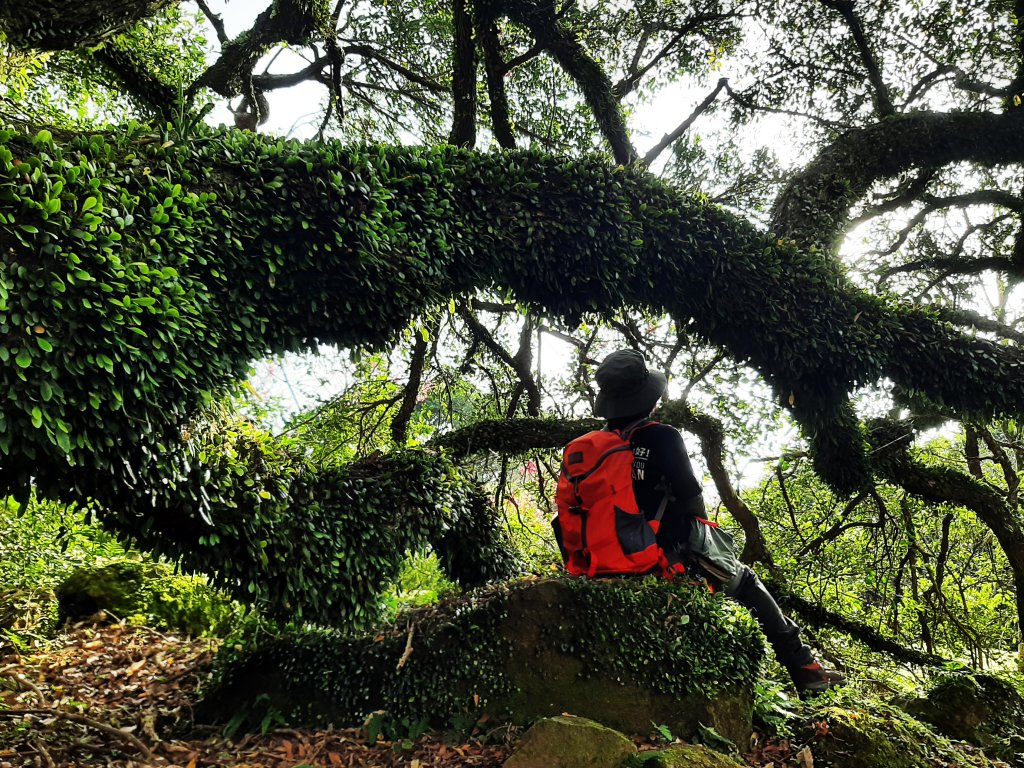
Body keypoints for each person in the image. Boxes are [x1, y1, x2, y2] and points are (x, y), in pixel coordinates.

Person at [592, 349, 846, 696]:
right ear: (647, 399)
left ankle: (806, 669)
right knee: (744, 580)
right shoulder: (662, 436)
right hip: (662, 556)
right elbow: (692, 500)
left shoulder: (589, 448)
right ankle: (806, 669)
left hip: (603, 557)